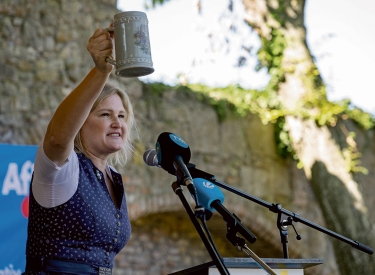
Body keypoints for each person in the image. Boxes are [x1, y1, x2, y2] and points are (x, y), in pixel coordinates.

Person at [23, 27, 137, 275]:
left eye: (121, 115)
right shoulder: (61, 168)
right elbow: (55, 138)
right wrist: (101, 71)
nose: (117, 123)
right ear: (80, 121)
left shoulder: (113, 176)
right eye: (105, 115)